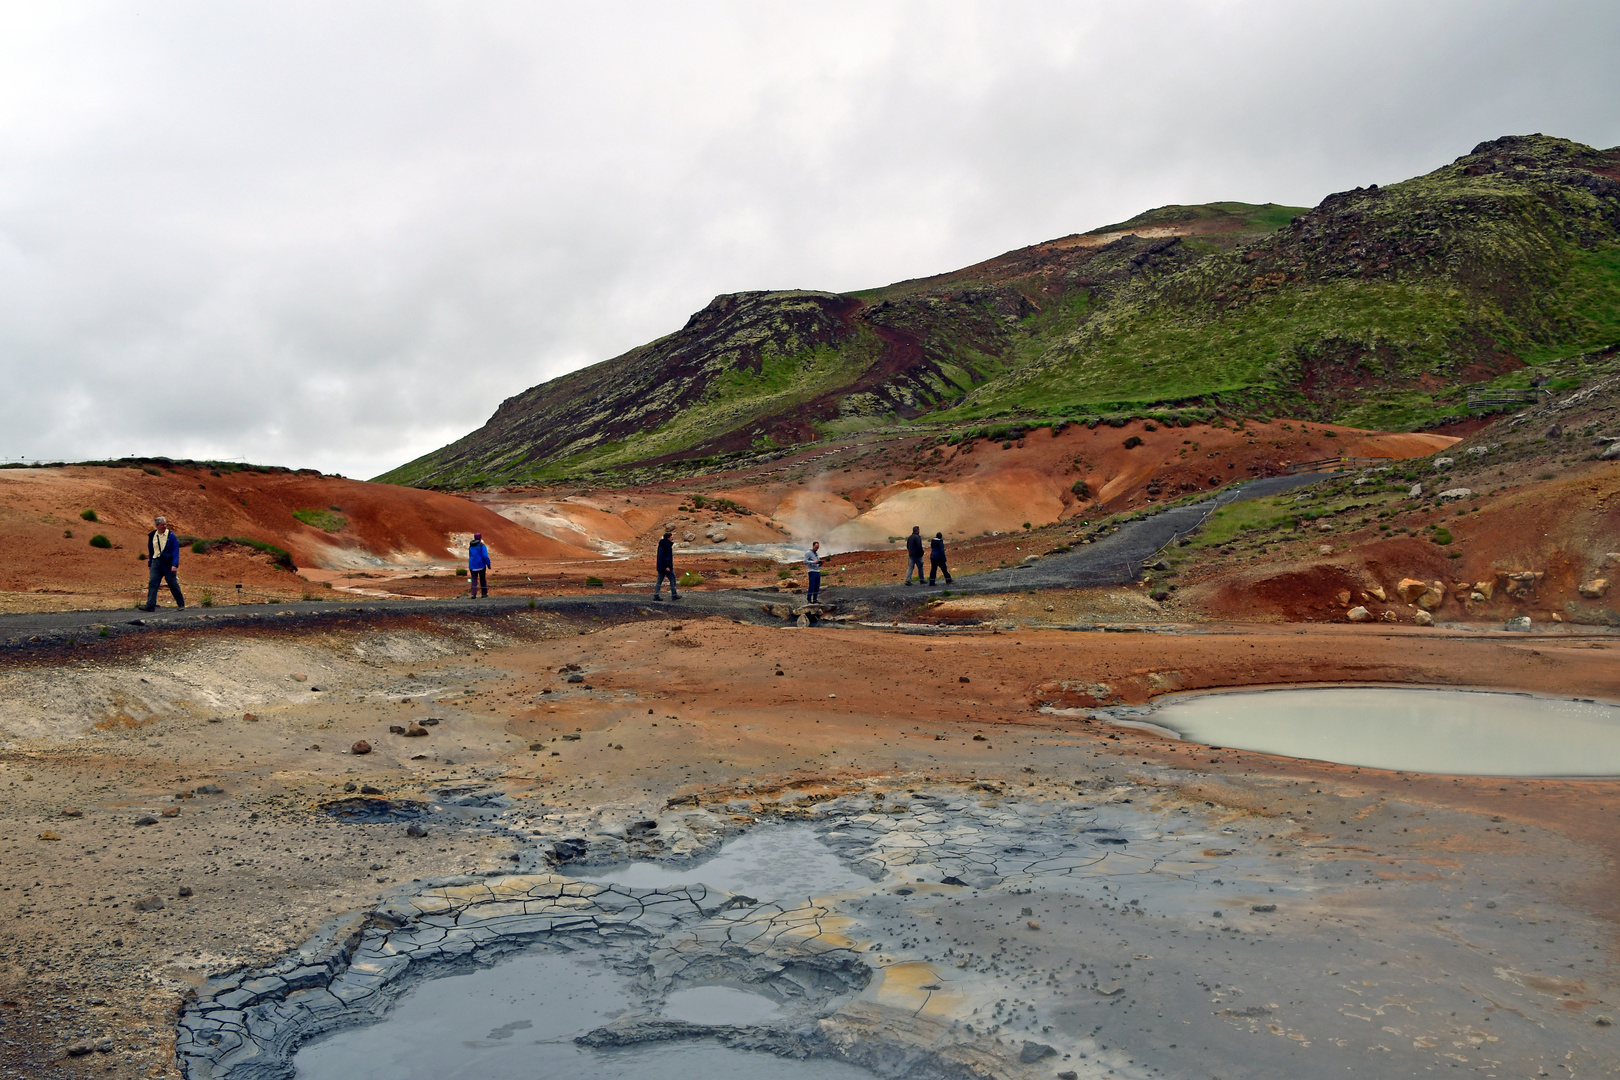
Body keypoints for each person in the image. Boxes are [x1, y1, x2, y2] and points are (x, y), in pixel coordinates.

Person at [143, 515, 184, 611]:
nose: (164, 526)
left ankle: (181, 604)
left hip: (168, 562)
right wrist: (150, 563)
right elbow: (151, 550)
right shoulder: (152, 535)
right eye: (162, 525)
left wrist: (174, 564)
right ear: (157, 525)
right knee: (153, 582)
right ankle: (150, 605)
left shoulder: (171, 536)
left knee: (172, 583)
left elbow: (175, 550)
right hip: (156, 561)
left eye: (165, 524)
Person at [654, 528, 679, 600]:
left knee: (659, 581)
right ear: (668, 538)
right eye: (671, 537)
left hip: (660, 566)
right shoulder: (667, 546)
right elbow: (667, 557)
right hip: (666, 567)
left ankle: (656, 595)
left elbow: (661, 556)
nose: (672, 538)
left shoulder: (661, 544)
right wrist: (668, 566)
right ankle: (674, 594)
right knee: (672, 579)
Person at [467, 532, 492, 597]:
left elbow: (470, 555)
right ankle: (484, 593)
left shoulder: (471, 546)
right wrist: (488, 564)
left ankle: (473, 594)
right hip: (481, 565)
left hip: (472, 565)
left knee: (474, 579)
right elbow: (485, 556)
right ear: (480, 538)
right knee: (482, 579)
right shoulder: (482, 546)